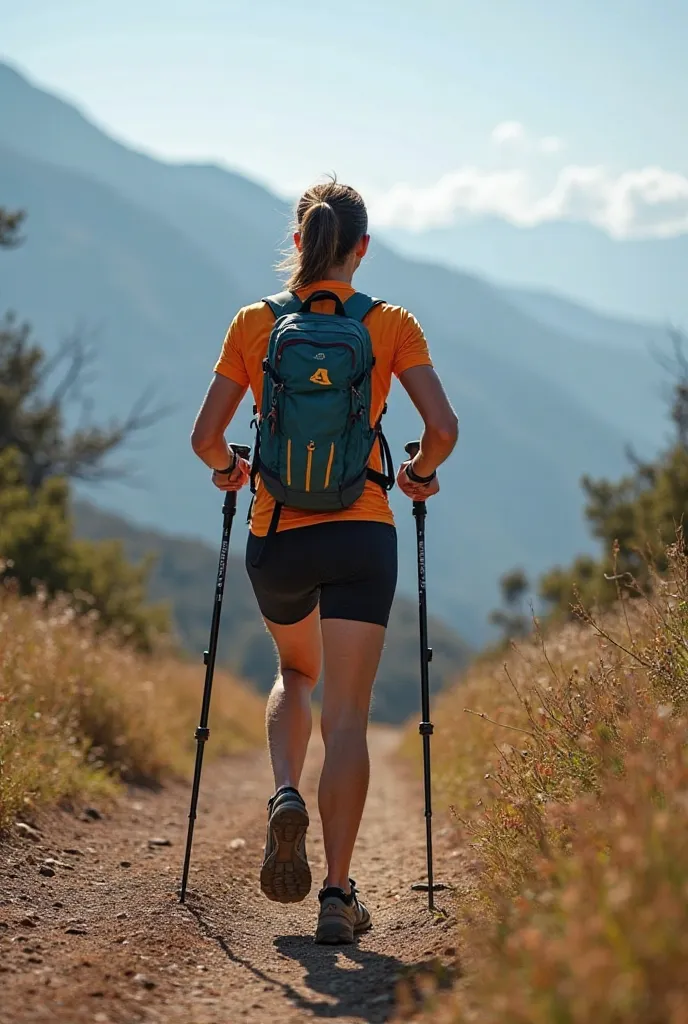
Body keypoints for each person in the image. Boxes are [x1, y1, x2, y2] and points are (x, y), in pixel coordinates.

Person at [191, 180, 458, 945]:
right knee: (348, 718)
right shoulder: (390, 324)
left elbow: (205, 439)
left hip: (279, 536)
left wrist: (229, 471)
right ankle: (337, 894)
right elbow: (442, 426)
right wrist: (419, 473)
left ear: (301, 242)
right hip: (361, 534)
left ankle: (285, 794)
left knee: (296, 675)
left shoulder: (254, 323)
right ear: (360, 248)